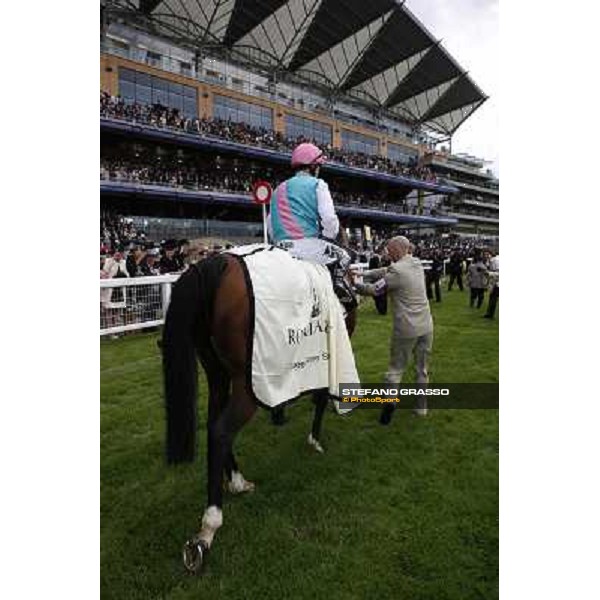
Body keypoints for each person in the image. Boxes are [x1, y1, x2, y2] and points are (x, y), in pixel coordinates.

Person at [353, 236, 434, 424]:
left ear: (397, 249)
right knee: (422, 369)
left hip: (406, 328)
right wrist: (365, 272)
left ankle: (388, 409)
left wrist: (354, 284)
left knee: (395, 369)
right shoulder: (415, 263)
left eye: (389, 250)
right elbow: (386, 270)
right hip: (426, 325)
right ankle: (421, 407)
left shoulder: (396, 271)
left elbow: (374, 290)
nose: (387, 253)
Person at [268, 142, 354, 306]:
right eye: (319, 166)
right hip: (307, 247)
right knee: (345, 255)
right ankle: (339, 292)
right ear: (313, 166)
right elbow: (329, 219)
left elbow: (271, 225)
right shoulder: (318, 184)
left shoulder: (278, 189)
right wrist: (328, 237)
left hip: (279, 249)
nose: (319, 169)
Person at [484, 254, 499, 319]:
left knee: (493, 298)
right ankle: (489, 314)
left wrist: (489, 273)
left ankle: (489, 314)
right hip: (495, 283)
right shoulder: (493, 260)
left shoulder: (496, 260)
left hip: (497, 283)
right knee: (492, 298)